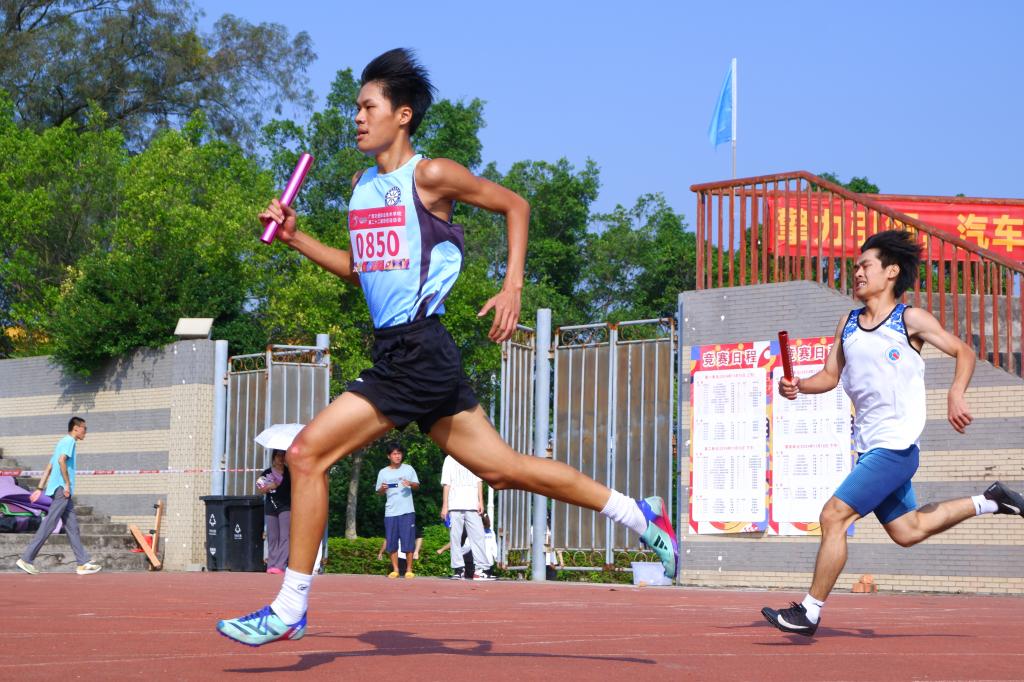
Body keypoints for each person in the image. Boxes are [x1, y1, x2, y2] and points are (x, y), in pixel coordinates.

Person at [217, 47, 677, 647]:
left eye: (368, 107)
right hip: (406, 352)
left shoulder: (430, 176)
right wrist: (297, 238)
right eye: (356, 107)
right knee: (503, 469)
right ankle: (639, 513)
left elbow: (515, 204)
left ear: (402, 115)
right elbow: (360, 271)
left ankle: (289, 606)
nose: (357, 117)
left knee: (305, 455)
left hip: (417, 349)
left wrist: (512, 287)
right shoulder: (361, 187)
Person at [762, 230, 1024, 637]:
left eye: (865, 266)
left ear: (891, 272)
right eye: (855, 267)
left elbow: (964, 351)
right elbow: (830, 376)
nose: (857, 273)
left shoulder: (909, 319)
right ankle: (990, 500)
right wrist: (797, 386)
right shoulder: (848, 323)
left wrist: (955, 393)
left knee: (833, 515)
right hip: (870, 449)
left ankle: (809, 612)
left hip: (896, 448)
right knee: (908, 530)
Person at [15, 417, 102, 576]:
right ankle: (26, 559)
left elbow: (49, 466)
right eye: (84, 428)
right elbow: (61, 461)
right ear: (76, 428)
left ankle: (82, 562)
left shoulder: (61, 442)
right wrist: (67, 484)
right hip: (62, 490)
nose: (85, 431)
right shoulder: (70, 441)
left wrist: (39, 488)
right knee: (49, 523)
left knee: (72, 527)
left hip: (59, 489)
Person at [441, 454, 493, 580]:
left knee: (478, 536)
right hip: (454, 504)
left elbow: (479, 481)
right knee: (455, 538)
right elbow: (446, 484)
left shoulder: (472, 456)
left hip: (472, 504)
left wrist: (481, 501)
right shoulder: (449, 459)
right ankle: (458, 569)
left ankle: (481, 569)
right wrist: (445, 505)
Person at [374, 443, 420, 579]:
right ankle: (395, 569)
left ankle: (409, 570)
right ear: (389, 456)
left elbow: (417, 486)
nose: (397, 456)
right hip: (390, 512)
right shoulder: (383, 472)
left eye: (399, 453)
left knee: (408, 541)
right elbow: (379, 492)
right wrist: (382, 489)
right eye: (394, 454)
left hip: (407, 511)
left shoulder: (409, 469)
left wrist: (411, 483)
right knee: (391, 541)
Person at [258, 449, 291, 574]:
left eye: (283, 455)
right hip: (270, 508)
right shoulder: (267, 473)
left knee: (284, 536)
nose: (281, 458)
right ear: (273, 457)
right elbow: (260, 488)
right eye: (278, 455)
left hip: (285, 507)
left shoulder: (289, 473)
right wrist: (269, 487)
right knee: (272, 537)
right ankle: (271, 564)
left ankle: (281, 565)